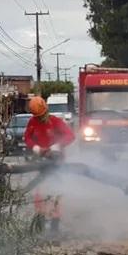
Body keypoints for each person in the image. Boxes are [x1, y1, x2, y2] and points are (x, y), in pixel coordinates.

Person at [23, 95, 75, 234]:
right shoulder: (33, 122)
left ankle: (54, 226)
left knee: (56, 191)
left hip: (56, 162)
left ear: (46, 110)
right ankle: (40, 223)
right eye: (38, 116)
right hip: (41, 161)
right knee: (39, 193)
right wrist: (36, 148)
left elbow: (70, 136)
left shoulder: (55, 121)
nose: (41, 118)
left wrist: (56, 146)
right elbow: (27, 137)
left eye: (42, 115)